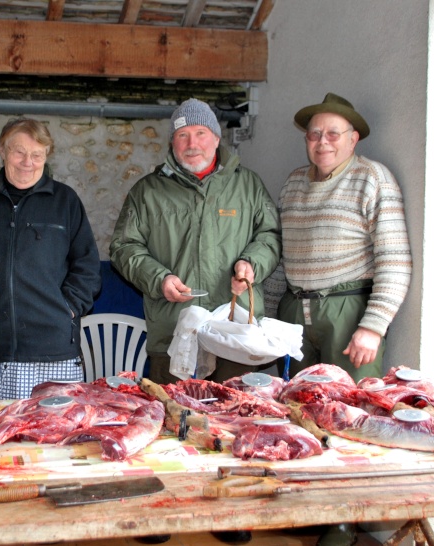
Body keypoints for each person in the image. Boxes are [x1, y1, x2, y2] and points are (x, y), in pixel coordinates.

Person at [110, 98, 281, 384]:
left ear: (216, 138)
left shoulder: (248, 185)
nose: (192, 143)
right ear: (172, 143)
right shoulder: (147, 191)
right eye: (182, 135)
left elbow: (269, 236)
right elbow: (123, 247)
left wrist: (251, 264)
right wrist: (159, 279)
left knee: (237, 422)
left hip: (234, 334)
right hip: (175, 334)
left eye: (200, 133)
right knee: (177, 421)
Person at [0, 118, 101, 400]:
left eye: (37, 154)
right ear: (2, 151)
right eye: (19, 152)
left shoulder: (65, 201)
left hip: (52, 350)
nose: (28, 162)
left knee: (55, 438)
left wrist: (68, 308)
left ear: (46, 156)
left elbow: (87, 266)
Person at [277, 92, 412, 382]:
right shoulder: (293, 182)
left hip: (348, 315)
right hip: (294, 314)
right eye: (314, 134)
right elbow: (281, 255)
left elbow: (395, 261)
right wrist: (268, 318)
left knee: (348, 406)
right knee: (294, 402)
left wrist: (373, 327)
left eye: (333, 134)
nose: (322, 141)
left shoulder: (373, 178)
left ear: (353, 140)